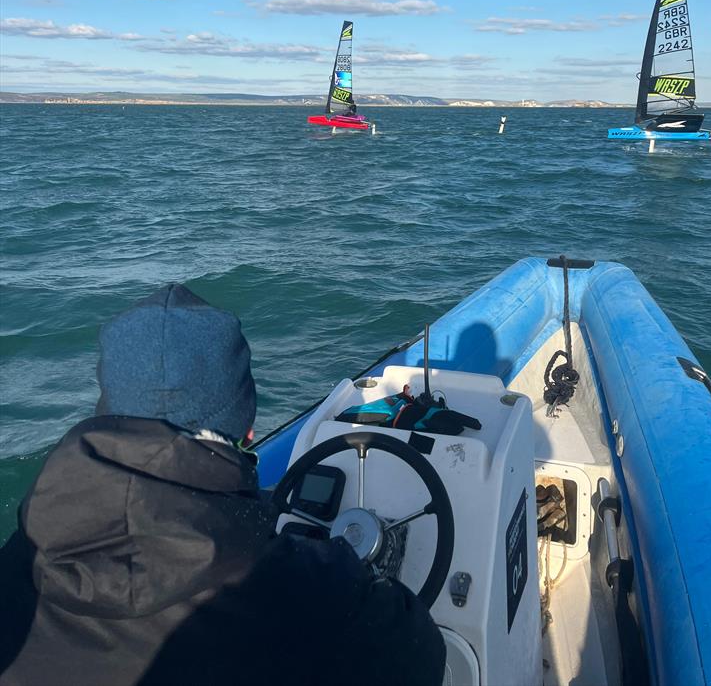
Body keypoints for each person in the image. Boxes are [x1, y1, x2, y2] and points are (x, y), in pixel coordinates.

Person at [0, 284, 446, 686]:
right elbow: (423, 658)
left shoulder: (20, 556)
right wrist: (357, 579)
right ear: (246, 429)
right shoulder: (307, 592)